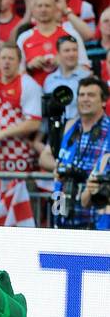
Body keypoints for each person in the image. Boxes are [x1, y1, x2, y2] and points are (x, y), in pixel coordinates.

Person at [0, 43, 43, 227]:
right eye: (3, 58)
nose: (6, 63)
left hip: (20, 160)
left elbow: (34, 122)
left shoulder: (28, 84)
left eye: (11, 59)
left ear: (19, 61)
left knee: (23, 211)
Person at [36, 77, 110, 229]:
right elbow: (44, 157)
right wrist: (59, 167)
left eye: (91, 95)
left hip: (95, 220)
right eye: (81, 95)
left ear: (103, 101)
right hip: (62, 213)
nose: (85, 99)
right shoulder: (69, 126)